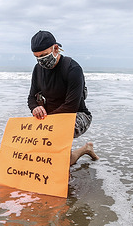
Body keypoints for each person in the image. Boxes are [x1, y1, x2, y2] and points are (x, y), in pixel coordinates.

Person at [28, 30, 99, 165]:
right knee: (43, 155)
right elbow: (31, 97)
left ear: (55, 48)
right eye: (37, 57)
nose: (41, 61)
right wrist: (35, 108)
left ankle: (84, 150)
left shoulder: (72, 69)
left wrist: (46, 122)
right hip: (50, 118)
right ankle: (87, 149)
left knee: (60, 161)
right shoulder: (38, 69)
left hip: (77, 115)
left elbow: (71, 106)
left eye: (43, 56)